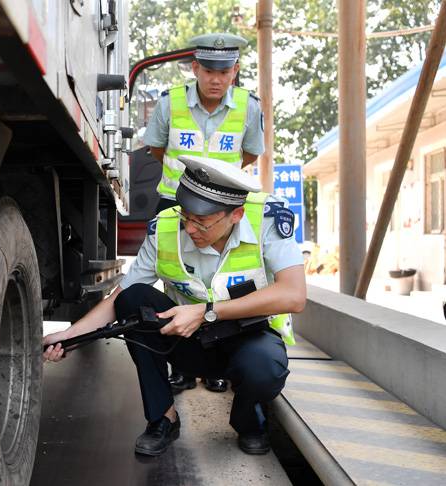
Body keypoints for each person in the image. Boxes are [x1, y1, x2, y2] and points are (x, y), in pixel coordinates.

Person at [43, 155, 306, 457]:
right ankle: (163, 418)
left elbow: (294, 295)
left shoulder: (267, 220)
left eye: (202, 222)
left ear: (236, 215)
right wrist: (72, 336)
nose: (190, 229)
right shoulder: (165, 229)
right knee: (135, 298)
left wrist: (207, 311)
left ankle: (248, 421)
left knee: (264, 368)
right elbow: (121, 296)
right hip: (191, 344)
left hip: (250, 338)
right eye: (186, 217)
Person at [143, 32, 266, 393]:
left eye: (224, 71)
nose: (216, 79)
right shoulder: (170, 103)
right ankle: (181, 361)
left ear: (235, 71)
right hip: (175, 204)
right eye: (209, 70)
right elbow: (156, 149)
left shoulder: (249, 106)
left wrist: (218, 190)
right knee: (176, 280)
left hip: (223, 209)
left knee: (218, 280)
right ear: (195, 67)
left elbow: (250, 155)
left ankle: (215, 361)